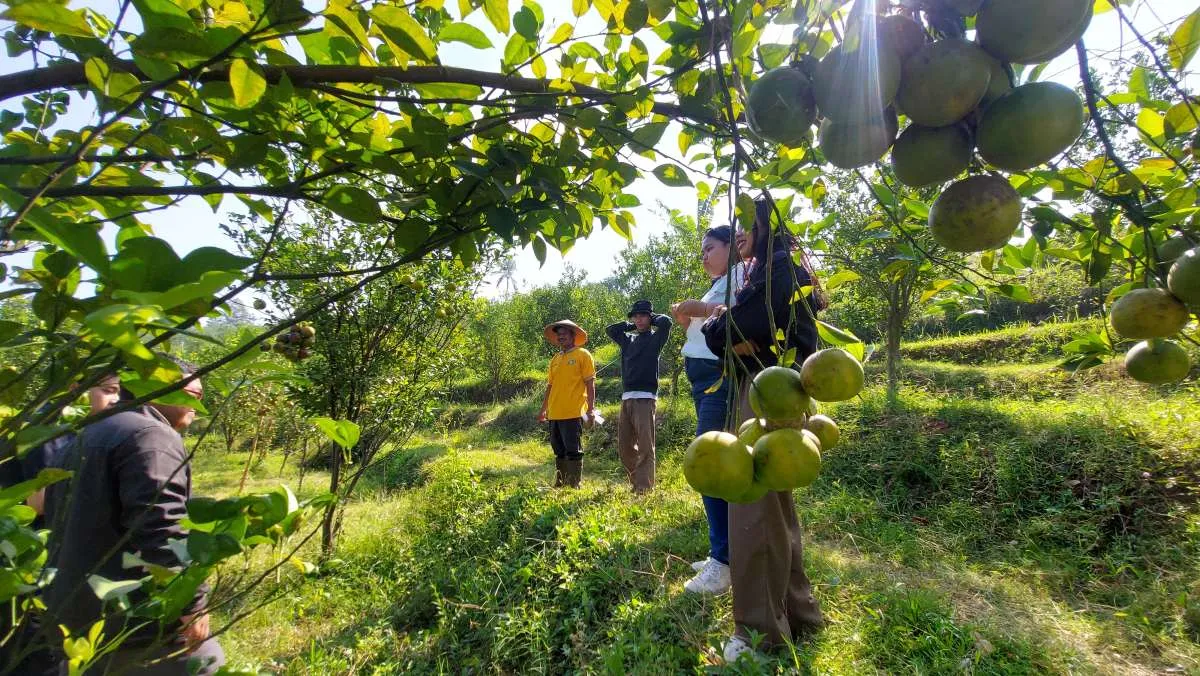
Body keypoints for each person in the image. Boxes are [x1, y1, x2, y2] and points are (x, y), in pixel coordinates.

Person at [702, 197, 827, 663]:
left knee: (752, 509)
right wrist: (728, 329)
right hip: (776, 394)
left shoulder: (777, 268)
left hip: (763, 390)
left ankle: (759, 635)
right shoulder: (778, 269)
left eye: (745, 227)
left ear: (763, 226)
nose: (739, 238)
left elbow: (740, 326)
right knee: (775, 512)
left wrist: (722, 324)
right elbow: (732, 332)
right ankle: (800, 615)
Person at [45, 360, 225, 675]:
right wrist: (192, 604)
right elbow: (163, 528)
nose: (197, 406)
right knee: (206, 664)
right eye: (190, 394)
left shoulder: (86, 434)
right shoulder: (152, 436)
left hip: (78, 619)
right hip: (136, 623)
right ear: (152, 389)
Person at [0, 373, 126, 676]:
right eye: (108, 390)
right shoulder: (49, 429)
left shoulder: (78, 430)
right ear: (76, 388)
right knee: (31, 649)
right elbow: (40, 501)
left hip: (40, 556)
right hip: (24, 557)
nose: (116, 399)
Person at [670, 226, 744, 594]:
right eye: (701, 251)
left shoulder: (742, 274)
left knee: (710, 459)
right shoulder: (719, 281)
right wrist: (689, 317)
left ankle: (724, 562)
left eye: (709, 248)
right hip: (703, 378)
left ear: (732, 247)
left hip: (719, 376)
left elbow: (729, 315)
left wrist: (697, 308)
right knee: (711, 456)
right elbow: (707, 321)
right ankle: (723, 551)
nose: (704, 256)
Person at [605, 301, 672, 495]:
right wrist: (634, 325)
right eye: (636, 316)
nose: (639, 319)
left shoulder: (656, 338)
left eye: (643, 315)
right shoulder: (628, 340)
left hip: (645, 398)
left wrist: (650, 320)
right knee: (624, 447)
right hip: (627, 398)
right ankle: (637, 481)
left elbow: (667, 322)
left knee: (645, 445)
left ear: (650, 317)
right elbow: (611, 330)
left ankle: (644, 487)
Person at [537, 320, 596, 488]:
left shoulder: (583, 355)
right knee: (558, 449)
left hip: (573, 411)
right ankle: (560, 482)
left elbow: (590, 383)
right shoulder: (555, 359)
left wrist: (591, 409)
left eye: (565, 333)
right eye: (559, 334)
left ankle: (573, 484)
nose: (561, 336)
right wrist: (543, 410)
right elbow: (550, 386)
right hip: (554, 412)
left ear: (573, 336)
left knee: (573, 449)